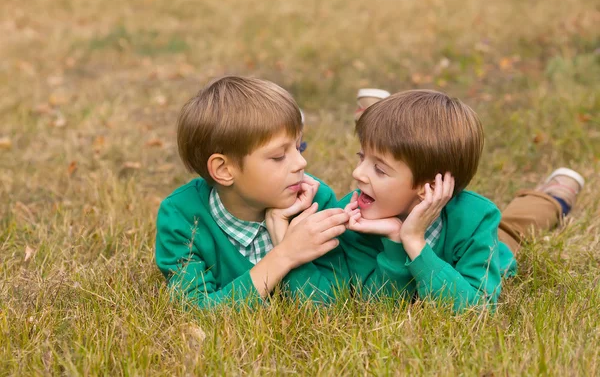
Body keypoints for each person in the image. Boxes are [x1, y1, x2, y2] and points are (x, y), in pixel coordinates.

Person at [334, 89, 585, 311]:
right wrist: (394, 240)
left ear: (429, 187)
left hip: (493, 242)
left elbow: (477, 308)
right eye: (361, 157)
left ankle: (554, 196)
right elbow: (379, 304)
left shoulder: (477, 220)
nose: (357, 173)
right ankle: (384, 121)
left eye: (380, 168)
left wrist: (413, 241)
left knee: (514, 228)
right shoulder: (355, 218)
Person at [154, 76, 349, 308]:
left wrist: (288, 243)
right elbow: (197, 310)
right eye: (279, 156)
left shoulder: (316, 202)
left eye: (299, 147)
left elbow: (333, 306)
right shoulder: (181, 218)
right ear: (224, 170)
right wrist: (286, 254)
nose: (301, 163)